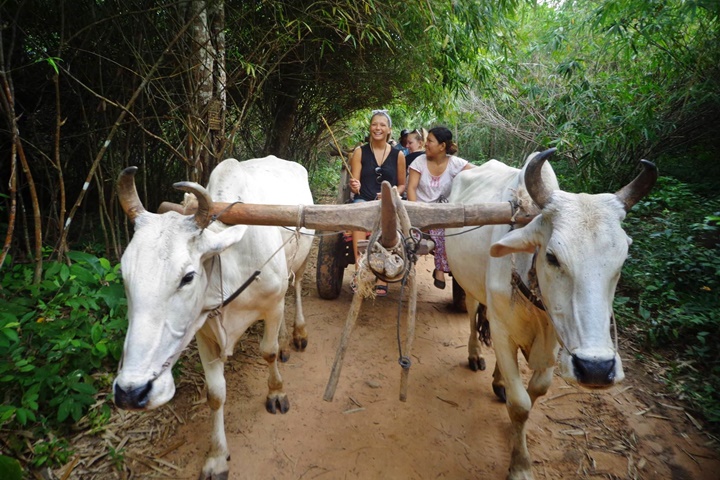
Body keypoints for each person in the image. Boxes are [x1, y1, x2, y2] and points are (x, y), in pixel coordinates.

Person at [406, 126, 473, 289]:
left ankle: (440, 269)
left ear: (442, 146)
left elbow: (478, 174)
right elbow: (411, 188)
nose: (426, 144)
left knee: (445, 232)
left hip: (443, 214)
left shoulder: (455, 164)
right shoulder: (419, 162)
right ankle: (411, 269)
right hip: (420, 211)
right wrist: (416, 213)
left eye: (430, 141)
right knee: (410, 236)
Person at [348, 109, 406, 296]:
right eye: (374, 124)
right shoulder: (359, 152)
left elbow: (403, 185)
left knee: (387, 222)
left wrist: (392, 192)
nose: (378, 128)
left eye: (382, 125)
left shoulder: (398, 155)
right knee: (358, 214)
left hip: (387, 204)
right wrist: (354, 185)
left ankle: (382, 274)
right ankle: (360, 272)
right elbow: (354, 185)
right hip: (363, 200)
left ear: (389, 130)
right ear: (370, 128)